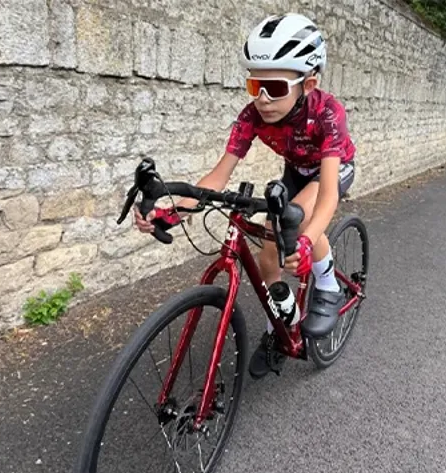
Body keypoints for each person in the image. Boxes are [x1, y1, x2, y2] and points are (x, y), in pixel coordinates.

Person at [134, 13, 357, 379]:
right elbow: (219, 176)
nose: (264, 99)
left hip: (331, 170)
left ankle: (328, 284)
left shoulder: (328, 113)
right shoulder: (252, 115)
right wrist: (173, 211)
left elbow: (328, 193)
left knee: (299, 221)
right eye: (256, 86)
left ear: (309, 83)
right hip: (294, 171)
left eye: (276, 88)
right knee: (270, 258)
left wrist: (305, 242)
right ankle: (282, 327)